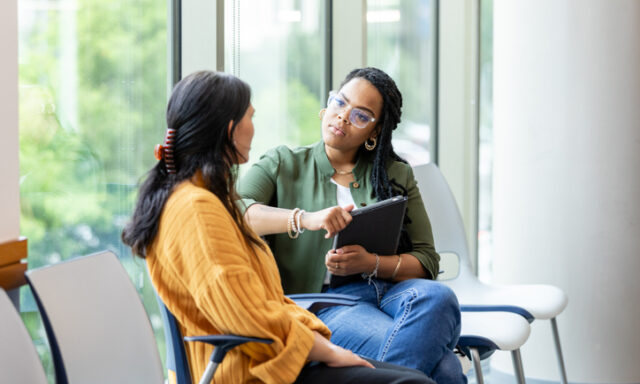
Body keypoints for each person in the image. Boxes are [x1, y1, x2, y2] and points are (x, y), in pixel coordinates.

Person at [121, 70, 434, 384]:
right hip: (253, 368)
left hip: (272, 353)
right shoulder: (197, 208)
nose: (342, 117)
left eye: (361, 115)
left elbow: (259, 302)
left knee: (428, 355)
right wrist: (325, 349)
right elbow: (244, 313)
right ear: (231, 129)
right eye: (251, 117)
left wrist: (316, 338)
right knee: (415, 380)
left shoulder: (205, 200)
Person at [237, 67, 466, 383]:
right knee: (446, 368)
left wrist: (370, 263)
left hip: (393, 294)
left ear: (375, 131)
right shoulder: (283, 163)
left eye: (361, 116)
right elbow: (236, 212)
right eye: (339, 103)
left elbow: (427, 260)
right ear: (327, 104)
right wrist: (305, 218)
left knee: (439, 298)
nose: (343, 117)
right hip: (326, 303)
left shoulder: (396, 173)